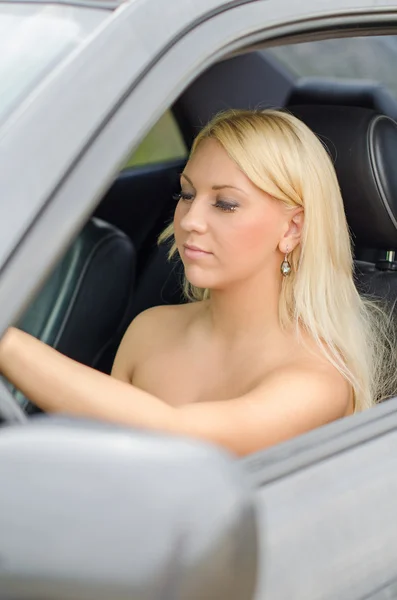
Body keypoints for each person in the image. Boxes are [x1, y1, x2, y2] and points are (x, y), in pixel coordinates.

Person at [0, 109, 395, 456]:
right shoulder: (150, 329)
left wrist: (7, 342)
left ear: (292, 228)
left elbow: (178, 436)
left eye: (225, 203)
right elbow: (104, 465)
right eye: (187, 194)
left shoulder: (318, 381)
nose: (190, 221)